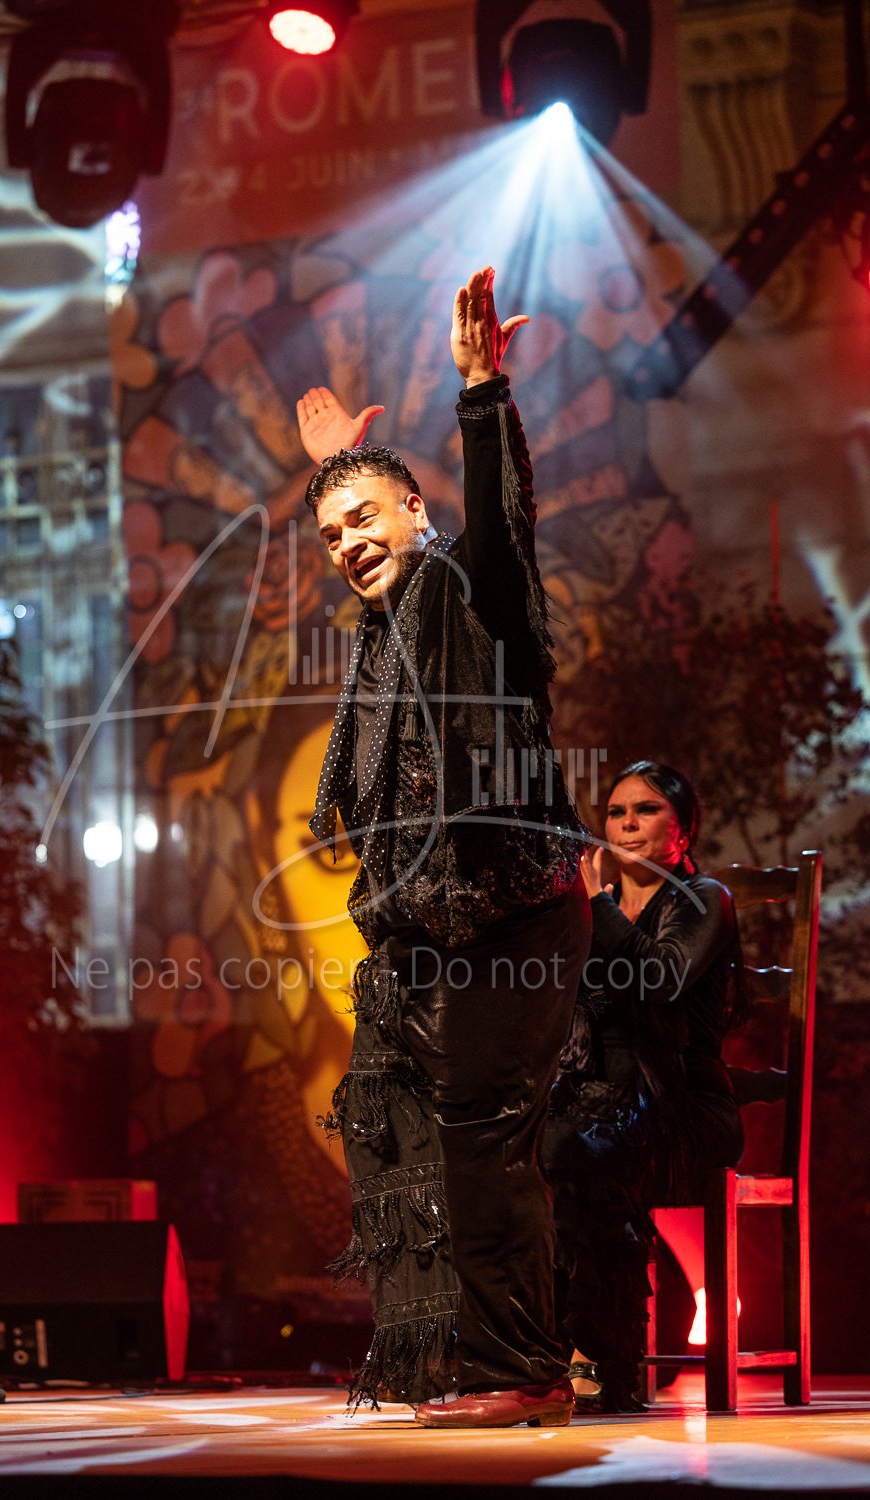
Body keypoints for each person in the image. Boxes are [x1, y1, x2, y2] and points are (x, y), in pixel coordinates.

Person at [296, 268, 590, 1429]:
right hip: (434, 935)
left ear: (418, 511)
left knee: (479, 1126)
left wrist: (480, 395)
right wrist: (336, 472)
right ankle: (453, 1358)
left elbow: (501, 524)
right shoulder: (380, 645)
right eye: (330, 534)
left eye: (365, 518)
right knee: (396, 1116)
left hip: (516, 915)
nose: (346, 543)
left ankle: (524, 1370)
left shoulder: (477, 602)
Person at [543, 760, 748, 1414]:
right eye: (617, 812)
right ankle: (540, 1352)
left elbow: (660, 979)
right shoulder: (588, 910)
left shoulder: (704, 899)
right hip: (599, 1095)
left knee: (581, 1152)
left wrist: (599, 907)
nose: (628, 823)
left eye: (647, 809)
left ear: (682, 829)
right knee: (523, 1148)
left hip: (683, 1106)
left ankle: (604, 1358)